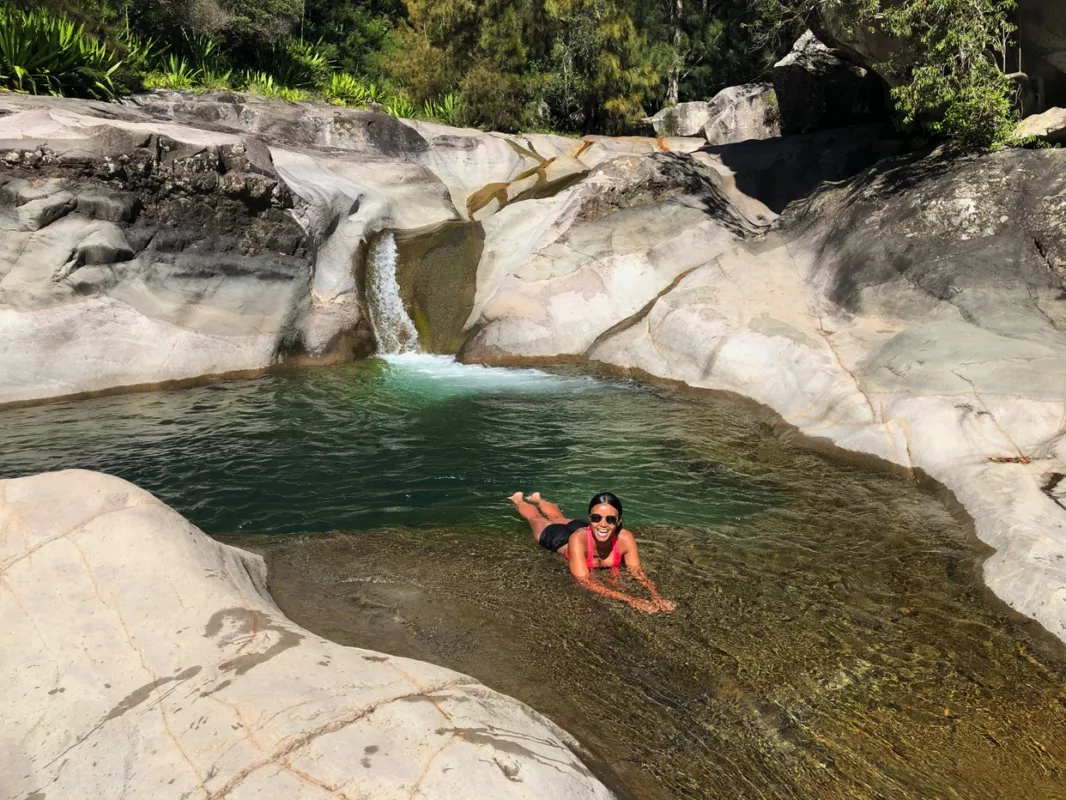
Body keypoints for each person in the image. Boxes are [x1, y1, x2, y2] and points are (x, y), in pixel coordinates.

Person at [508, 490, 676, 614]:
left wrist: (656, 596)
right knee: (536, 519)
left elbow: (637, 571)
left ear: (618, 522)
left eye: (610, 519)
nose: (603, 524)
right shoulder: (577, 540)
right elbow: (585, 581)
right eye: (596, 518)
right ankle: (519, 500)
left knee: (559, 517)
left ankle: (538, 498)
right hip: (558, 538)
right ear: (590, 519)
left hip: (585, 531)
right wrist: (631, 600)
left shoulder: (625, 539)